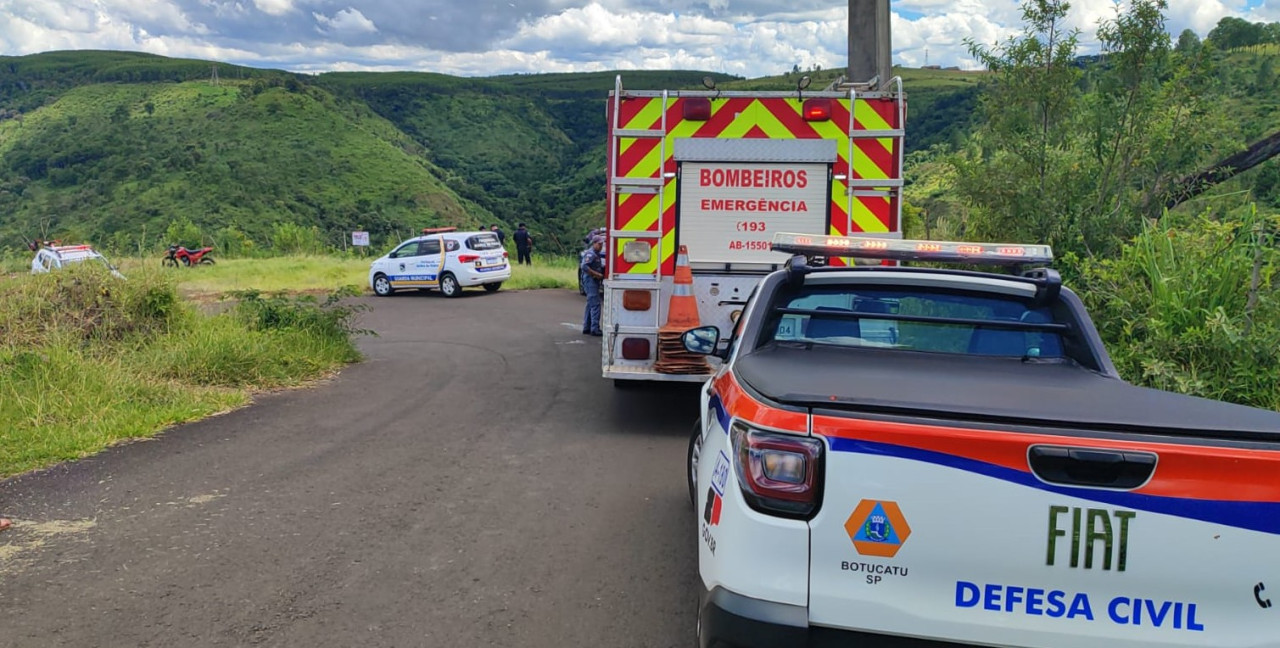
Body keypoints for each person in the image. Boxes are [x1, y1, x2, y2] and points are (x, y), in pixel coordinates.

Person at [580, 236, 605, 335]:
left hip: (593, 280)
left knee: (590, 304)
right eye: (599, 244)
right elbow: (584, 266)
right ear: (594, 243)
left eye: (602, 244)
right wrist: (596, 274)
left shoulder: (597, 254)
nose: (601, 246)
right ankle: (595, 328)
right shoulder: (591, 254)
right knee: (595, 304)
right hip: (590, 280)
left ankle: (587, 327)